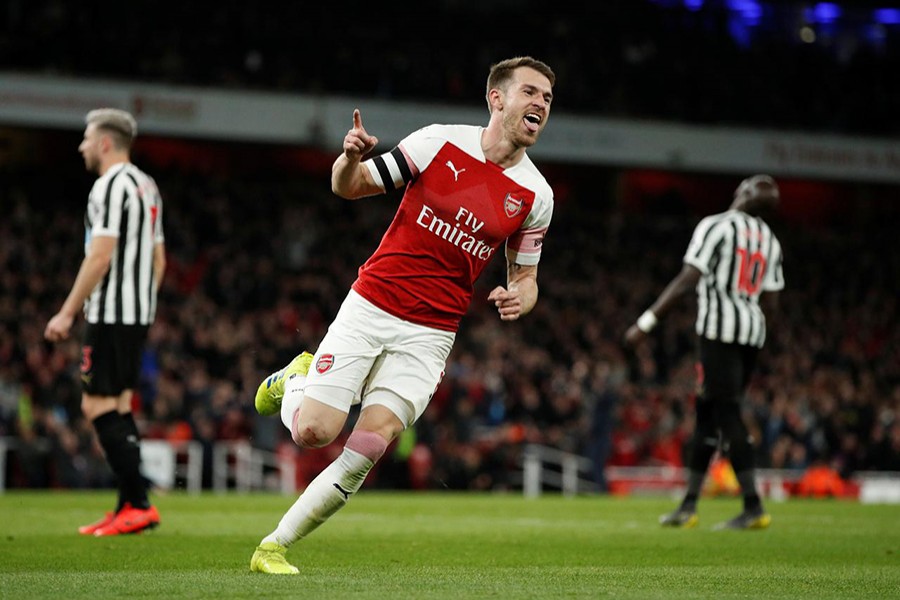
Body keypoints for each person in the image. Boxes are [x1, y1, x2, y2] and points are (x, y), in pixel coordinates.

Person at [249, 56, 556, 574]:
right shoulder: (437, 142)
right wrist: (348, 159)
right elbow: (349, 186)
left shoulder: (536, 196)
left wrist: (518, 297)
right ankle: (294, 380)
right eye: (530, 92)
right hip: (372, 305)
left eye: (547, 98)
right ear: (496, 99)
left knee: (367, 447)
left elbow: (526, 279)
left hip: (432, 334)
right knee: (314, 434)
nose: (540, 105)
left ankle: (273, 547)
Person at [624, 174, 784, 530]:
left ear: (741, 191)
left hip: (718, 333)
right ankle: (689, 505)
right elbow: (772, 302)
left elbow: (688, 279)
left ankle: (753, 505)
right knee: (708, 417)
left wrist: (646, 322)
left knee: (726, 414)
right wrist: (757, 334)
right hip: (751, 335)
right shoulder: (770, 240)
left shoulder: (717, 226)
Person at [44, 108, 165, 536]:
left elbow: (100, 254)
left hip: (111, 312)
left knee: (95, 405)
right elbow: (158, 259)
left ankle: (141, 502)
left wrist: (66, 311)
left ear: (105, 143)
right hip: (136, 314)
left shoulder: (108, 187)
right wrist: (144, 309)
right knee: (117, 405)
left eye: (86, 138)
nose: (81, 146)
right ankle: (127, 507)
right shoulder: (148, 187)